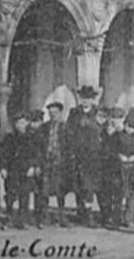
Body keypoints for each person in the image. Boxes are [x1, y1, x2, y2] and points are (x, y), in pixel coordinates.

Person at [67, 88, 104, 225]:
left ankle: (89, 215)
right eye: (83, 98)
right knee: (79, 186)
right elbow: (69, 132)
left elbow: (102, 130)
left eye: (88, 98)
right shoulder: (74, 113)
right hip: (78, 155)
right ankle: (81, 212)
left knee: (90, 187)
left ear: (93, 99)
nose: (85, 101)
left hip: (93, 156)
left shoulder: (98, 113)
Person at [3, 111, 44, 229]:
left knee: (24, 195)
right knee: (10, 195)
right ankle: (10, 218)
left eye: (23, 122)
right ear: (15, 125)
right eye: (18, 123)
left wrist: (33, 167)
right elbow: (4, 154)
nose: (21, 125)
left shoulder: (32, 138)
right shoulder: (9, 138)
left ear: (27, 123)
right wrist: (3, 168)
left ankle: (22, 220)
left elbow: (37, 154)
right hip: (12, 170)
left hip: (26, 170)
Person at [41, 100, 70, 226]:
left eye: (55, 113)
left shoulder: (65, 127)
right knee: (45, 189)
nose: (53, 115)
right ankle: (45, 216)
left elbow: (69, 146)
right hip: (47, 162)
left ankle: (62, 216)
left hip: (60, 162)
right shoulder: (45, 127)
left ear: (60, 113)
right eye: (51, 113)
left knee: (60, 190)